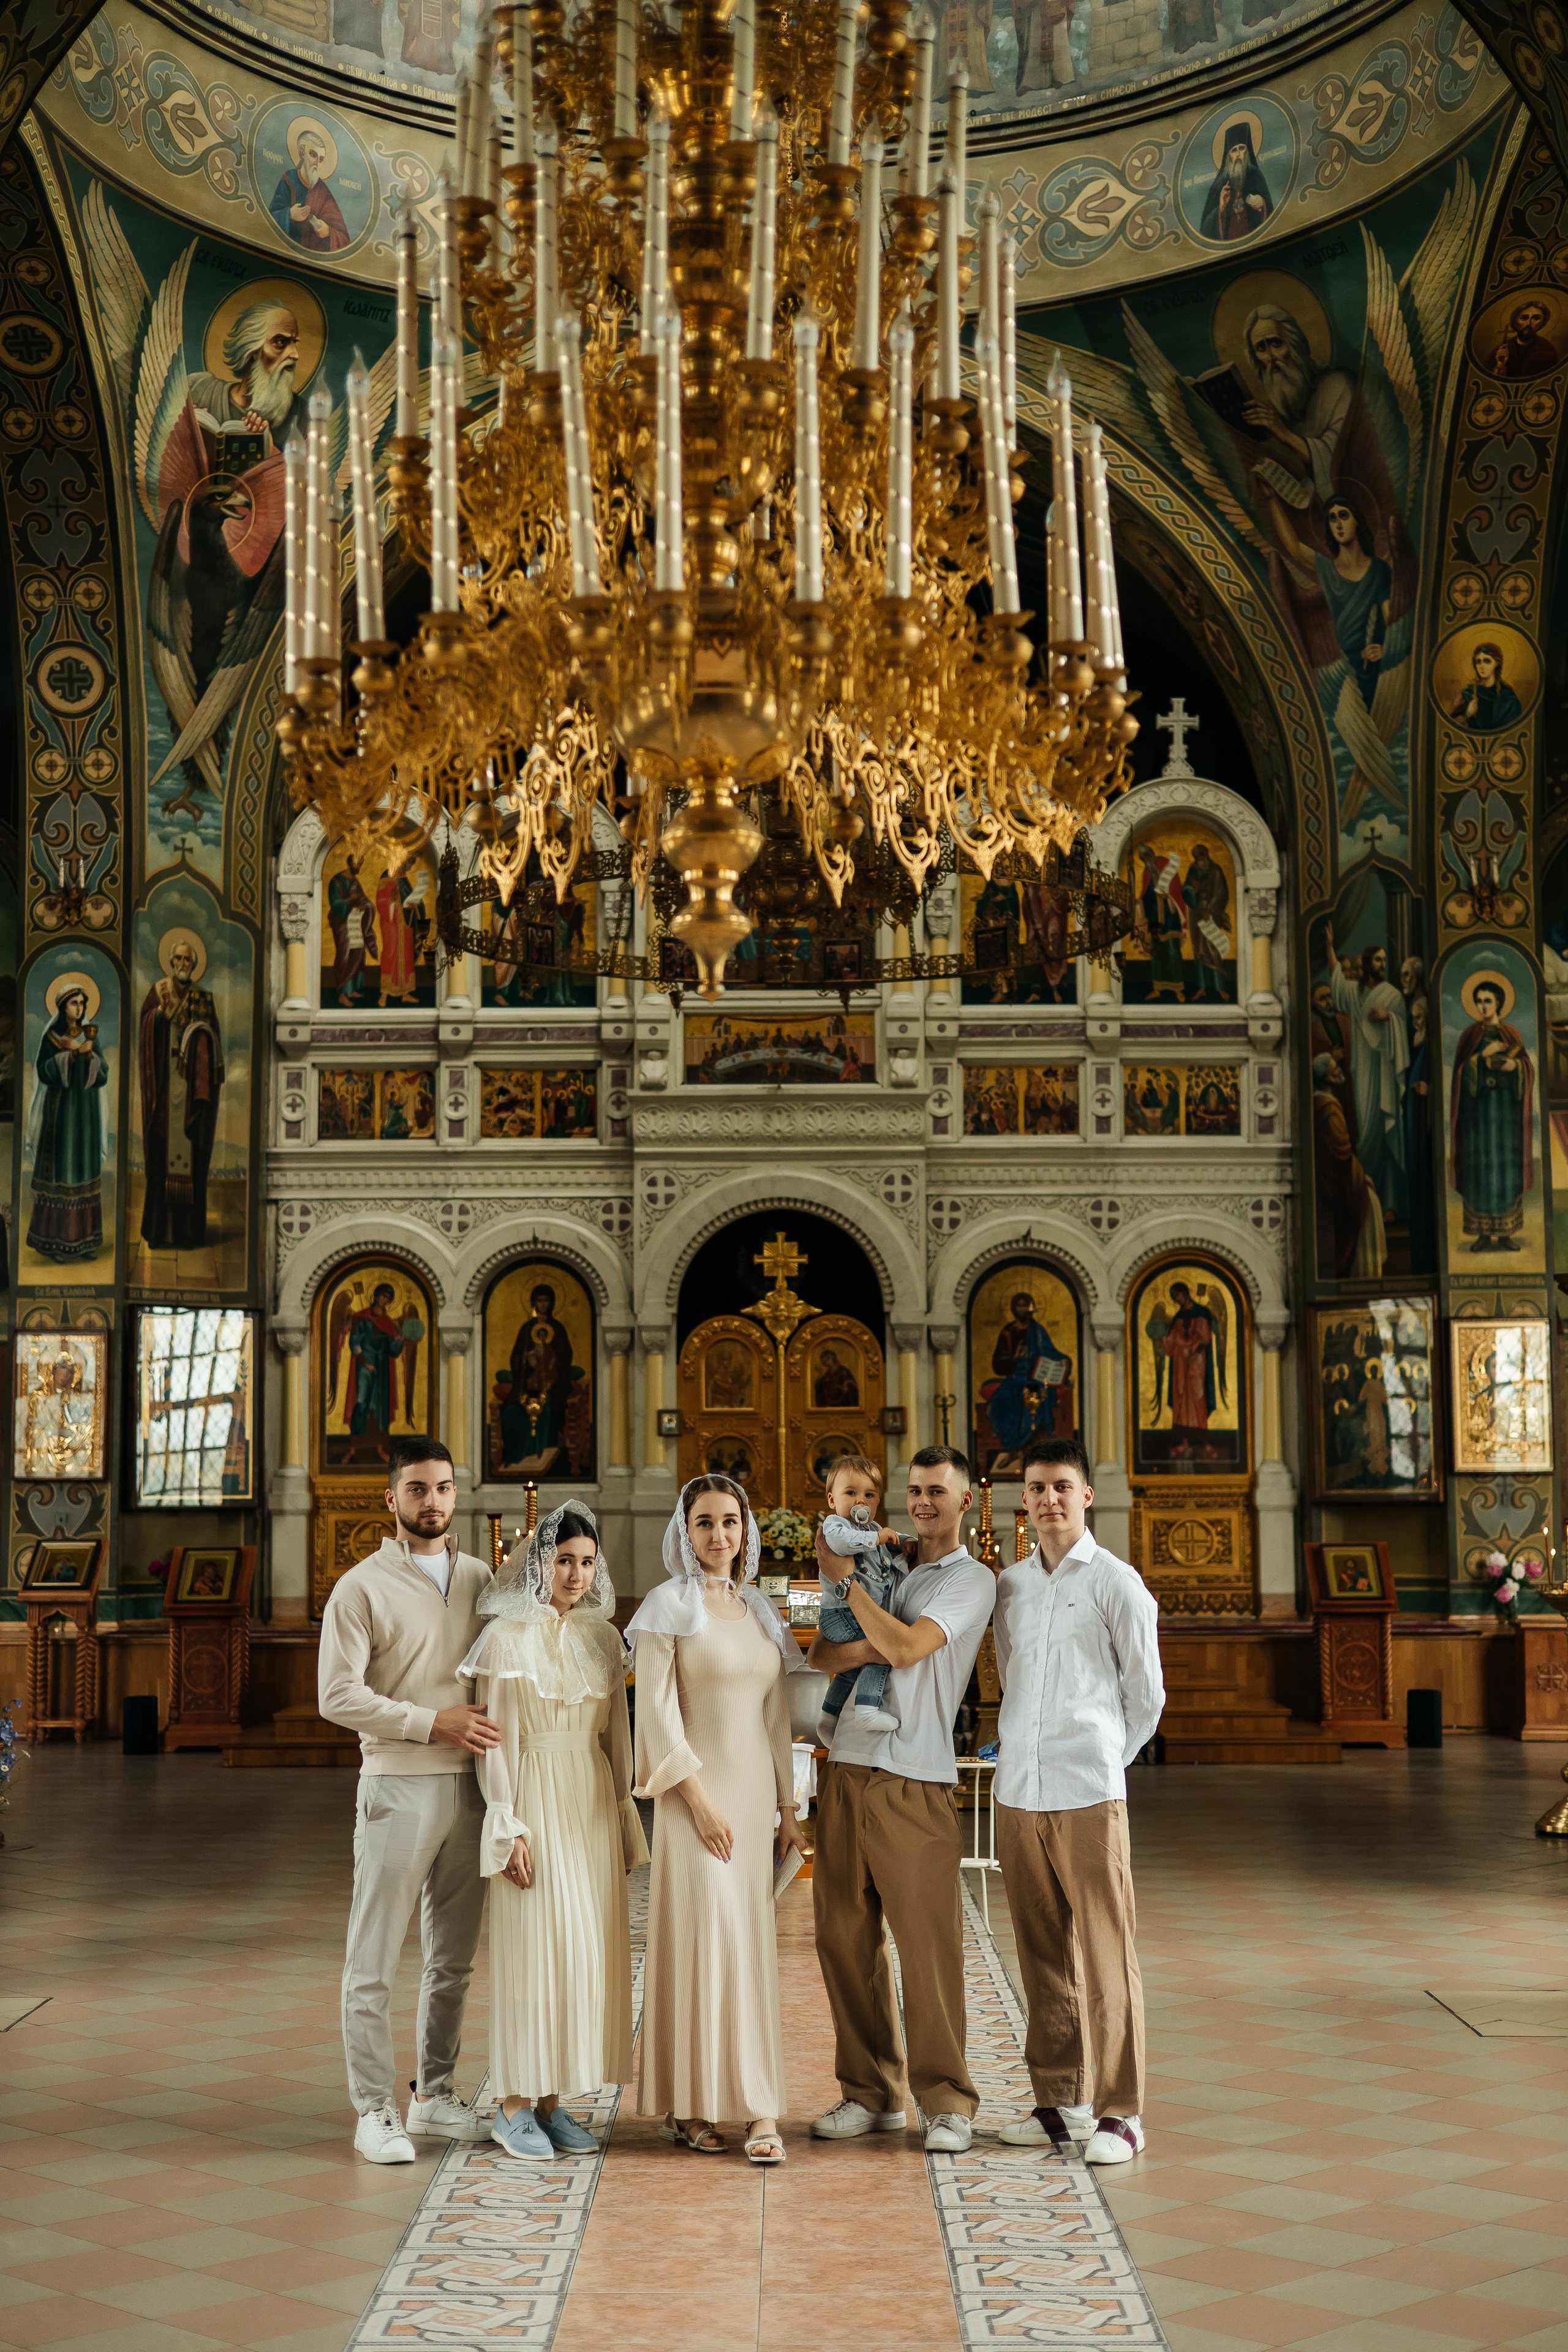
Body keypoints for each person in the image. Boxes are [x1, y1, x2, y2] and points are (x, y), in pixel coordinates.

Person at [317, 1438, 501, 2165]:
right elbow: (337, 1695)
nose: (433, 1502)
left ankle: (433, 2094)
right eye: (418, 1490)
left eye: (444, 1489)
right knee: (374, 1956)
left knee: (452, 1958)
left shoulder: (484, 1579)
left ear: (457, 1496)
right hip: (397, 1784)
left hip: (474, 1788)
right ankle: (374, 2109)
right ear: (390, 1500)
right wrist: (432, 1723)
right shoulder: (359, 1587)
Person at [808, 1446, 995, 2155]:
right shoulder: (885, 1562)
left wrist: (846, 1588)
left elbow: (911, 1649)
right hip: (846, 1769)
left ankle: (947, 2102)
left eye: (936, 1492)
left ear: (965, 1500)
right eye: (914, 1490)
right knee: (842, 1939)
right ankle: (870, 2092)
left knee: (926, 1947)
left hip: (915, 1779)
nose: (922, 1503)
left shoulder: (969, 1579)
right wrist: (864, 1628)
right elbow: (824, 1654)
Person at [628, 1475, 809, 2164]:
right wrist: (698, 1803)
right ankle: (695, 2105)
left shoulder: (759, 1609)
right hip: (691, 1803)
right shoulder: (664, 1607)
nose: (718, 1536)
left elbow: (773, 1716)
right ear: (684, 1530)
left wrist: (788, 1810)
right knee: (705, 1947)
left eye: (730, 1521)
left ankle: (760, 2108)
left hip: (752, 1800)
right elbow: (656, 1716)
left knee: (750, 1953)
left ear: (746, 1530)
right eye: (704, 1522)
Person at [993, 1437, 1163, 2166]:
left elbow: (1146, 1696)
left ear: (1086, 1495)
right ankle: (1058, 2101)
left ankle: (1121, 2113)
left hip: (1087, 1791)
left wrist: (1103, 1761)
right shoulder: (1010, 1587)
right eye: (1035, 1488)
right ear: (1023, 1502)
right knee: (1040, 1954)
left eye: (1061, 1486)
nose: (1048, 1499)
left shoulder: (1117, 1584)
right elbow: (1008, 1675)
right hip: (1019, 1794)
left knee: (1105, 1952)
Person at [463, 1502, 646, 2160]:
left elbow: (619, 1735)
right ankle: (511, 2103)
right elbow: (497, 1739)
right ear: (538, 1562)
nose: (575, 1573)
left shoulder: (603, 1638)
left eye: (586, 1562)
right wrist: (505, 1824)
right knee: (534, 1947)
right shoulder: (505, 1637)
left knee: (584, 1951)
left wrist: (625, 1817)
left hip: (592, 1797)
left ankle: (551, 2102)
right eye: (563, 1560)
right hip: (535, 1792)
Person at [815, 1455, 909, 1744]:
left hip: (852, 1612)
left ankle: (828, 1718)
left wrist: (905, 1542)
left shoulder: (872, 1530)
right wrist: (879, 1538)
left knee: (850, 1667)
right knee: (881, 1647)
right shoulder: (835, 1525)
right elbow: (844, 1544)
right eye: (851, 1493)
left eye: (869, 1495)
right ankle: (867, 1708)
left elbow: (889, 1543)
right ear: (832, 1499)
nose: (861, 1502)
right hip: (841, 1613)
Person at [1449, 978, 1535, 1251]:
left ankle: (1506, 1232)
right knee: (1480, 1170)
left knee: (1505, 1169)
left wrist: (1516, 1066)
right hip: (1478, 1117)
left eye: (1487, 1001)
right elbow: (1459, 1076)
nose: (1482, 1006)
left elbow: (1527, 1068)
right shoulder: (1470, 1037)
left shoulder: (1511, 1034)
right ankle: (1483, 1234)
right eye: (1478, 1001)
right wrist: (1480, 1058)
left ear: (1498, 1003)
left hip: (1505, 1115)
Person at [25, 981, 108, 1262]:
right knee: (62, 1174)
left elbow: (104, 1075)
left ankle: (86, 1243)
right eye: (75, 1003)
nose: (80, 1008)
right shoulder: (52, 1037)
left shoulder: (90, 1036)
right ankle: (54, 1242)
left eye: (83, 1003)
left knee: (84, 1175)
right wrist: (69, 1055)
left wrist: (89, 1054)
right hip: (61, 1116)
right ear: (63, 1007)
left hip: (86, 1119)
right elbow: (45, 1072)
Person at [1199, 124, 1273, 243]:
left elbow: (1272, 216)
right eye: (1234, 150)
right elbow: (1205, 229)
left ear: (1247, 151)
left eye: (1242, 148)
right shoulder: (1220, 184)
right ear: (1228, 156)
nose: (1239, 154)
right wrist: (1221, 209)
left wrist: (1263, 203)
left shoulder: (1256, 177)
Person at [1449, 642, 1524, 731]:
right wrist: (1467, 715)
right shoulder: (1468, 694)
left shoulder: (1508, 696)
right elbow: (1452, 727)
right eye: (1478, 662)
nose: (1482, 666)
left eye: (1487, 661)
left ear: (1496, 663)